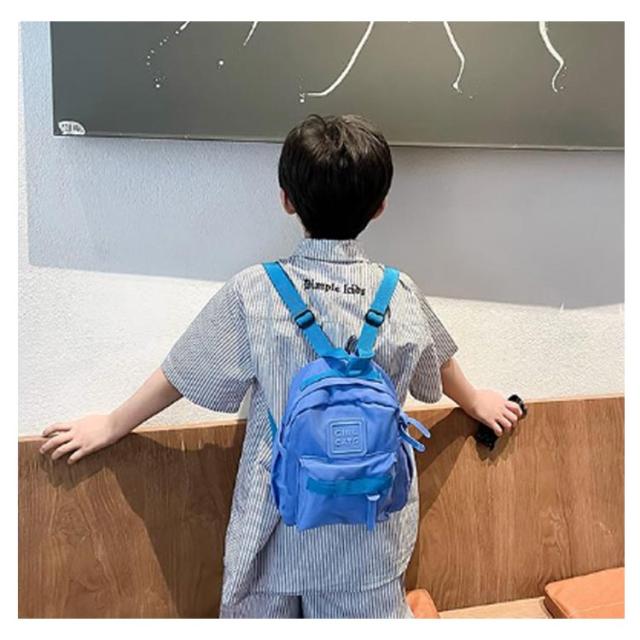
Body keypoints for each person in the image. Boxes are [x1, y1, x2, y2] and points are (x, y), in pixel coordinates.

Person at [40, 114, 523, 618]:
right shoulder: (399, 292)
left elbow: (181, 374)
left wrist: (112, 425)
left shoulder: (256, 290)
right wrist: (476, 401)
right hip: (369, 532)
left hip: (275, 520)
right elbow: (438, 362)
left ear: (287, 200)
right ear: (380, 206)